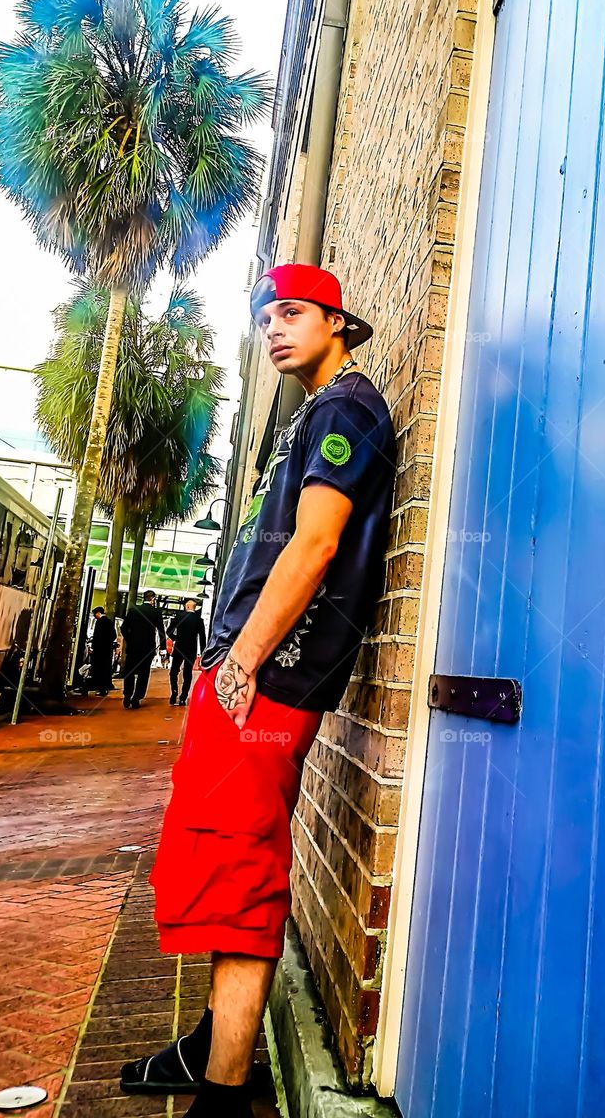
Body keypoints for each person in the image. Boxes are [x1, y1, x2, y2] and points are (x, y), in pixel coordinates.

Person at [121, 263, 396, 1116]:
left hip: (265, 680)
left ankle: (226, 1095)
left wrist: (242, 660)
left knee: (241, 871)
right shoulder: (313, 413)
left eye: (293, 313)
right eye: (266, 316)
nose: (274, 328)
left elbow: (315, 546)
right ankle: (211, 1044)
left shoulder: (347, 409)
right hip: (240, 673)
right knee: (216, 854)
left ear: (339, 322)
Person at [120, 590, 168, 709]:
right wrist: (163, 648)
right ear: (153, 599)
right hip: (148, 648)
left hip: (133, 647)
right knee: (143, 673)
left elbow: (123, 627)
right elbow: (161, 632)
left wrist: (130, 639)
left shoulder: (133, 610)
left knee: (129, 672)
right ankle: (137, 697)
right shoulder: (156, 612)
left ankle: (127, 695)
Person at [167, 599, 207, 706]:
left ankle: (174, 693)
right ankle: (183, 697)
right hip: (191, 650)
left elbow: (169, 631)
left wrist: (175, 638)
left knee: (174, 671)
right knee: (187, 674)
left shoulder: (179, 617)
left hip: (179, 648)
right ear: (194, 607)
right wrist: (203, 653)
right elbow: (202, 638)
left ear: (187, 607)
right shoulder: (199, 620)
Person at [88, 606, 117, 695]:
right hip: (107, 650)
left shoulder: (99, 623)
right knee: (106, 668)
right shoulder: (109, 622)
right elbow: (114, 635)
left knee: (98, 669)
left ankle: (100, 688)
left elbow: (96, 637)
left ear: (98, 613)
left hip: (99, 650)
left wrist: (93, 647)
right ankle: (106, 686)